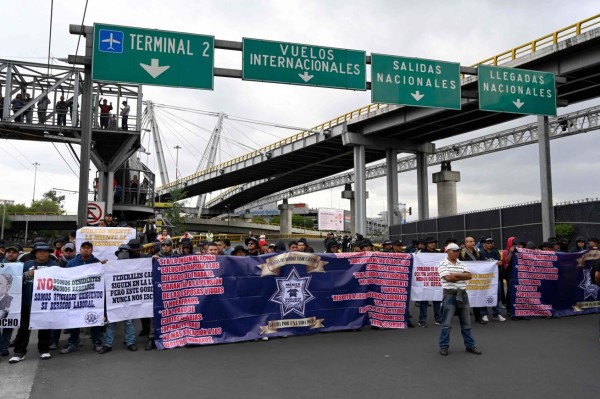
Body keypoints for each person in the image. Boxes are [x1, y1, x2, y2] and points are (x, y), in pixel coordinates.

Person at [9, 242, 58, 364]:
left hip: (45, 302)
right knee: (24, 327)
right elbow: (15, 280)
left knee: (44, 326)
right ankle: (19, 351)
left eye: (45, 251)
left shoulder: (54, 266)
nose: (42, 253)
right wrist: (27, 274)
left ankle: (43, 349)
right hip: (27, 301)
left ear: (48, 253)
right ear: (35, 253)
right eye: (39, 251)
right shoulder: (26, 265)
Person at [60, 241, 106, 355]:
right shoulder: (72, 263)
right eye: (83, 248)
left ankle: (96, 341)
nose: (86, 250)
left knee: (95, 318)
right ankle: (73, 342)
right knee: (74, 319)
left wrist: (103, 266)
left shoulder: (97, 263)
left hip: (92, 298)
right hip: (75, 298)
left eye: (88, 248)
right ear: (80, 250)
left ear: (92, 250)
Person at [438, 243, 482, 356]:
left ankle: (470, 345)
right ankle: (444, 346)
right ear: (447, 251)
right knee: (446, 324)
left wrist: (455, 275)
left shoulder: (461, 263)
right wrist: (461, 275)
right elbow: (448, 278)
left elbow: (469, 276)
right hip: (449, 295)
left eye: (457, 250)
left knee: (466, 323)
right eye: (453, 250)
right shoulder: (442, 264)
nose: (456, 252)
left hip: (463, 294)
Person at [478, 238, 506, 322]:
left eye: (491, 243)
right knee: (484, 295)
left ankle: (497, 314)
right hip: (485, 278)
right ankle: (484, 314)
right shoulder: (481, 253)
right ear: (484, 244)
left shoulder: (495, 251)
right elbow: (479, 264)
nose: (490, 244)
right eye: (488, 243)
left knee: (497, 295)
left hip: (495, 277)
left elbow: (500, 261)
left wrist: (500, 262)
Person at [459, 237, 485, 324]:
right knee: (465, 298)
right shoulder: (461, 253)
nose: (473, 243)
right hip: (465, 279)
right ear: (466, 243)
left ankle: (478, 317)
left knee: (476, 297)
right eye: (470, 241)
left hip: (476, 279)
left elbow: (484, 263)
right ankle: (464, 318)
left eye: (473, 241)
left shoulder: (478, 252)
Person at [417, 237, 442, 327]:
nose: (433, 244)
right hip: (425, 279)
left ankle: (438, 319)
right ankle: (422, 320)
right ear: (427, 244)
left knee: (437, 300)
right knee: (424, 300)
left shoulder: (438, 253)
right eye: (431, 242)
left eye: (434, 242)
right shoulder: (420, 253)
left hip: (435, 279)